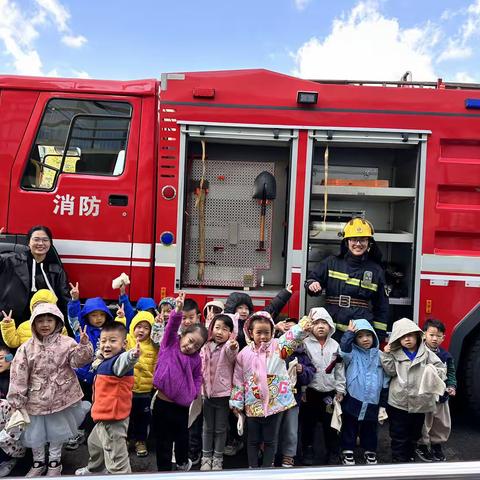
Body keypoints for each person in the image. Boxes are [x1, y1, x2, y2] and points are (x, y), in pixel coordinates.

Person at [7, 303, 93, 477]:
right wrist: (17, 399)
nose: (45, 324)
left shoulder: (67, 343)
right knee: (35, 435)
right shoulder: (26, 348)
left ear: (57, 322)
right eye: (40, 321)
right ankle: (38, 463)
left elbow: (78, 362)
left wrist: (84, 345)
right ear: (33, 323)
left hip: (61, 398)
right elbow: (19, 374)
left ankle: (55, 463)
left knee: (57, 433)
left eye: (49, 320)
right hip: (35, 400)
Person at [230, 310, 314, 469]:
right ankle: (252, 468)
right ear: (250, 332)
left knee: (271, 440)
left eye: (267, 332)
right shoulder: (243, 354)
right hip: (252, 403)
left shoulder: (278, 347)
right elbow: (238, 380)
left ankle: (268, 469)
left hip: (276, 403)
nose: (263, 336)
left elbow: (290, 338)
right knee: (252, 440)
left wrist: (302, 325)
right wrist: (236, 402)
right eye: (259, 332)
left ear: (273, 332)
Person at [151, 292, 208, 472]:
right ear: (182, 335)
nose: (191, 347)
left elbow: (198, 376)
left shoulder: (196, 359)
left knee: (182, 439)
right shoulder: (169, 343)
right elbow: (171, 326)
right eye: (190, 341)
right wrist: (177, 310)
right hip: (162, 404)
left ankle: (183, 463)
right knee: (163, 442)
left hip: (181, 407)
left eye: (196, 346)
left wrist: (194, 392)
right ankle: (163, 471)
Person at [305, 218, 389, 341]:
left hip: (360, 332)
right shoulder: (331, 262)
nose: (358, 244)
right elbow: (312, 280)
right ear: (346, 241)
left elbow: (382, 306)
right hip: (331, 328)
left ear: (369, 242)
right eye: (354, 239)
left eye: (363, 240)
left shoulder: (376, 270)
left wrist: (379, 336)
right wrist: (313, 284)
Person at [75, 323, 140, 475]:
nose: (107, 345)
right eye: (103, 341)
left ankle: (120, 475)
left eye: (112, 341)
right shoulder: (105, 360)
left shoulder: (119, 362)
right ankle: (96, 469)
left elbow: (126, 360)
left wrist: (133, 355)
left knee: (117, 459)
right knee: (94, 444)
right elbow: (98, 356)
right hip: (103, 416)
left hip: (113, 420)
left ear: (124, 344)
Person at [381, 317, 446, 463]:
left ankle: (409, 457)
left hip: (420, 403)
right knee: (398, 433)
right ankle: (398, 459)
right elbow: (390, 371)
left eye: (410, 335)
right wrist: (386, 355)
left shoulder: (427, 354)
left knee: (414, 433)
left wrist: (433, 372)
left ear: (417, 336)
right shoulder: (395, 353)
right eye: (402, 337)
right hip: (399, 402)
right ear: (397, 339)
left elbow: (441, 368)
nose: (407, 339)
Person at [66, 282, 114, 450]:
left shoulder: (109, 332)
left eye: (102, 314)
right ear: (87, 316)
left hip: (100, 377)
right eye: (94, 315)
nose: (98, 318)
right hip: (82, 376)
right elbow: (73, 316)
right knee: (79, 406)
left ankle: (92, 433)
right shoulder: (81, 329)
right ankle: (76, 432)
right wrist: (74, 300)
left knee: (97, 406)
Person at [301, 307, 346, 465]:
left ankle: (333, 451)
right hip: (311, 391)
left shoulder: (335, 345)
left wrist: (340, 389)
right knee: (308, 423)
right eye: (317, 323)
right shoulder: (305, 344)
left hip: (330, 392)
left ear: (331, 326)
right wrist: (303, 389)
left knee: (331, 425)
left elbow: (340, 369)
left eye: (325, 323)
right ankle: (307, 449)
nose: (321, 326)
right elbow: (302, 367)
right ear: (310, 326)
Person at [0, 225, 70, 323]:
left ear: (50, 243)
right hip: (12, 322)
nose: (41, 243)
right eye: (36, 239)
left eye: (45, 240)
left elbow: (64, 300)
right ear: (29, 242)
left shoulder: (56, 270)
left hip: (43, 325)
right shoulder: (11, 261)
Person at [339, 319, 386, 466]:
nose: (365, 339)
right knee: (349, 425)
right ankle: (347, 451)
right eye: (360, 336)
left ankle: (370, 451)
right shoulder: (351, 353)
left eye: (368, 335)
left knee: (370, 428)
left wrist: (383, 403)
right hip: (354, 396)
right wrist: (348, 333)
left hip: (373, 399)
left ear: (374, 337)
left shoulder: (379, 355)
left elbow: (386, 377)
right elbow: (343, 350)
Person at [200, 313, 239, 471]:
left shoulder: (229, 347)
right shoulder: (205, 345)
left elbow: (231, 355)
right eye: (217, 327)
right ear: (211, 329)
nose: (220, 331)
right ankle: (206, 457)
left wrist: (232, 346)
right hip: (207, 394)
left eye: (225, 329)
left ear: (231, 333)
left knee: (220, 429)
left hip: (223, 395)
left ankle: (217, 458)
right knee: (207, 428)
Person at [275, 317, 316, 468]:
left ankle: (289, 455)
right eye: (289, 330)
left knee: (291, 429)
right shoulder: (274, 350)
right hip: (274, 398)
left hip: (293, 397)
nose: (293, 334)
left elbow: (311, 373)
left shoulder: (303, 354)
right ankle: (270, 454)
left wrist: (302, 370)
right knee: (273, 428)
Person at [416, 318, 457, 462]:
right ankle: (422, 445)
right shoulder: (419, 352)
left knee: (441, 423)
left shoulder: (446, 356)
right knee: (425, 423)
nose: (434, 338)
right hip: (426, 396)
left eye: (438, 336)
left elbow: (451, 372)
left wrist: (451, 386)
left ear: (443, 338)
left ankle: (436, 444)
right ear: (424, 334)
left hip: (442, 395)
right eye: (431, 335)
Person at [126, 311, 158, 457]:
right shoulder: (128, 340)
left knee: (142, 418)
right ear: (133, 327)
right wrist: (120, 317)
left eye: (146, 328)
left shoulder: (153, 346)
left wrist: (156, 381)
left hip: (145, 390)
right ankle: (125, 439)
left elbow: (157, 365)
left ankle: (140, 441)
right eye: (139, 326)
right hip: (127, 388)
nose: (141, 330)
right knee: (126, 416)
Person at [1, 289, 67, 348]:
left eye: (44, 305)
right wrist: (8, 326)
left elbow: (65, 347)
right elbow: (13, 343)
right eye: (36, 305)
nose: (40, 308)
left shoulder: (59, 327)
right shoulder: (23, 327)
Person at [0, 346, 26, 477]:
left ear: (10, 358)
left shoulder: (17, 377)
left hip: (16, 423)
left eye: (1, 358)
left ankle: (9, 459)